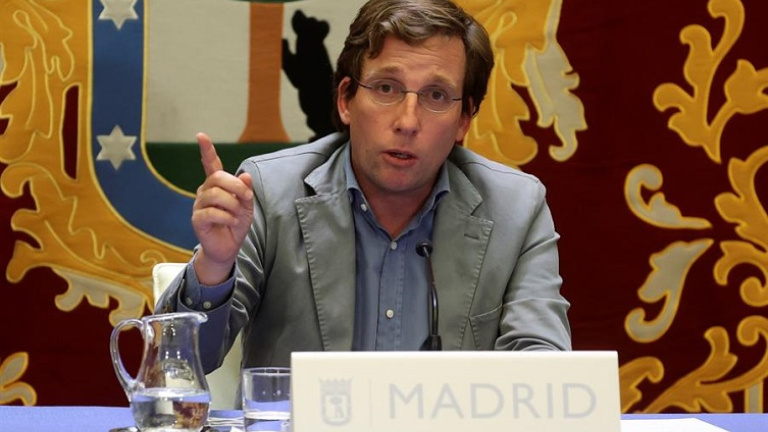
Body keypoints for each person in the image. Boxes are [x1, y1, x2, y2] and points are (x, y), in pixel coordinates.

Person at [156, 0, 571, 374]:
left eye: (436, 95)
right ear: (345, 100)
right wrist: (215, 266)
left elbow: (544, 371)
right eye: (386, 88)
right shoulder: (270, 191)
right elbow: (176, 363)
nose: (407, 122)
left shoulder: (516, 209)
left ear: (464, 120)